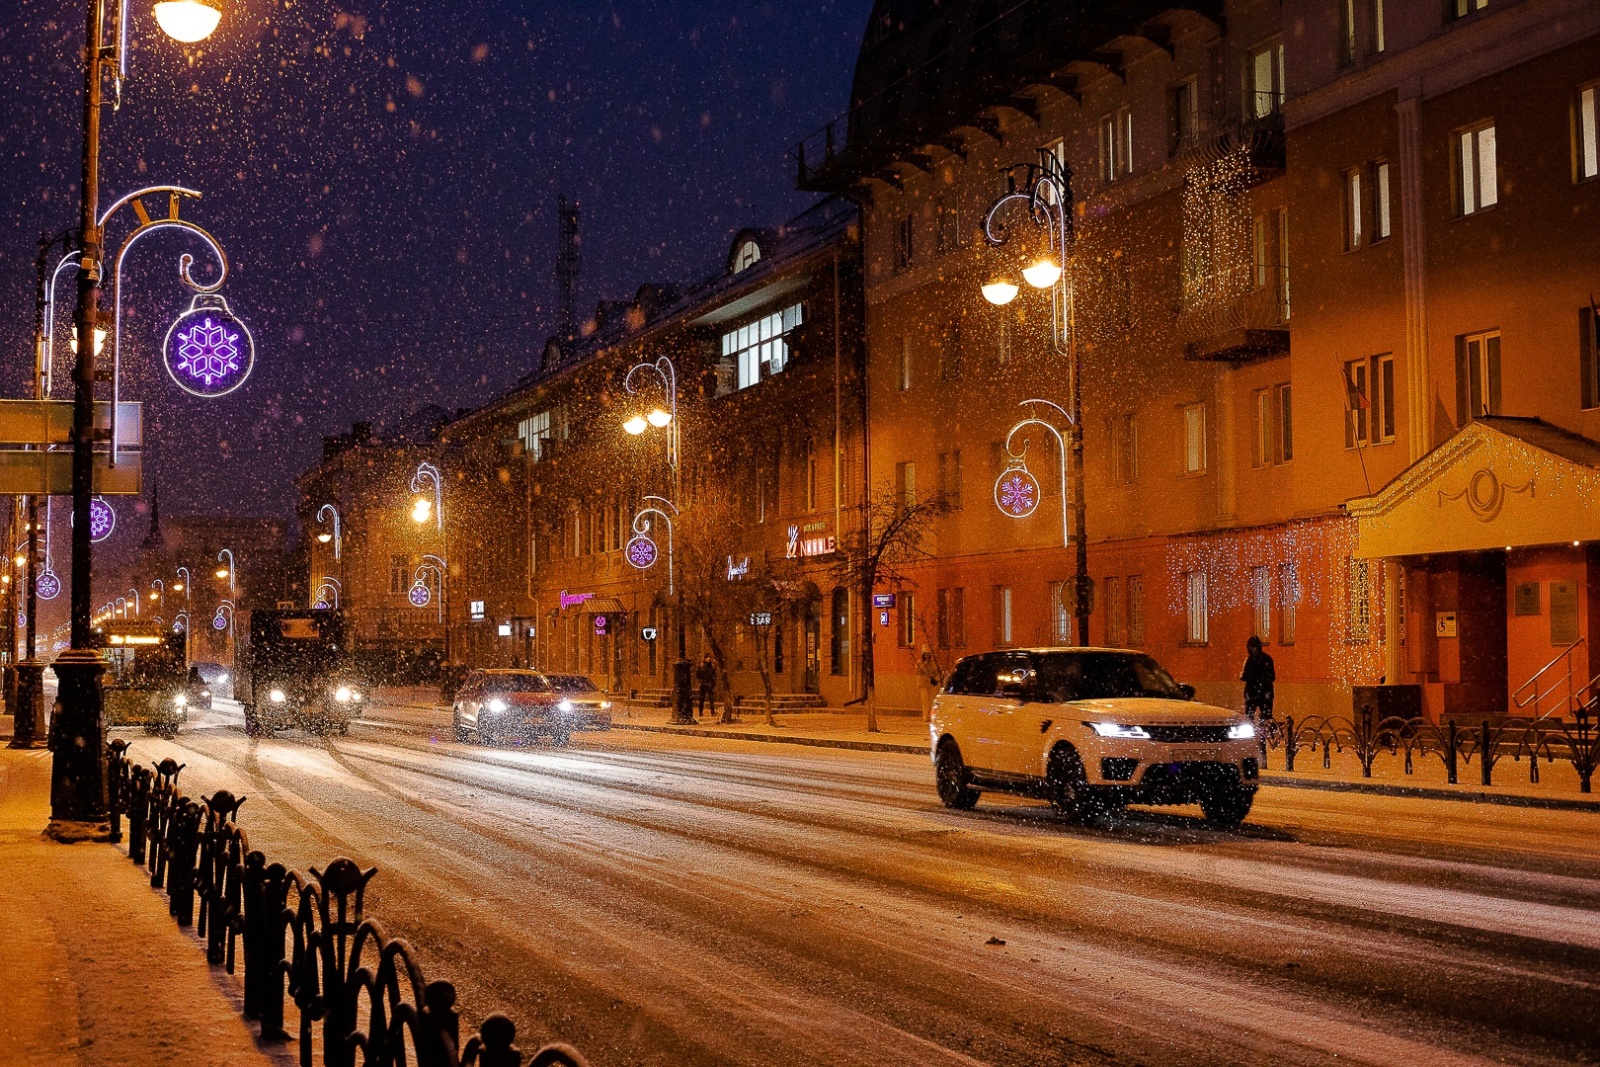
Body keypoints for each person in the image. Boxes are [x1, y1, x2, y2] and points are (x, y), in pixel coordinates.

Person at [1240, 635, 1276, 726]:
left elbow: (1244, 676)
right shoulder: (1268, 658)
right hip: (1266, 692)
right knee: (1266, 716)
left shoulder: (1250, 659)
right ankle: (1265, 733)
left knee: (1249, 716)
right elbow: (1272, 677)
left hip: (1252, 693)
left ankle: (1252, 735)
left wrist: (1248, 677)